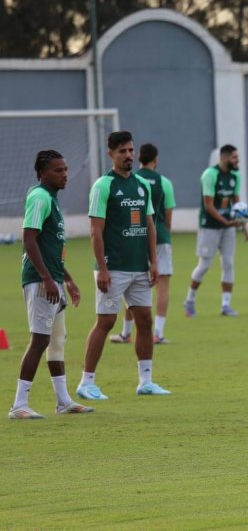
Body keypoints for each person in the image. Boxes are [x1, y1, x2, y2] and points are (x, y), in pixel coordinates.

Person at [76, 131, 171, 400]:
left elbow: (150, 225)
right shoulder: (103, 186)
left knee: (144, 319)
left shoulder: (142, 185)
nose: (128, 155)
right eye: (122, 151)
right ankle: (86, 382)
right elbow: (96, 231)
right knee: (106, 321)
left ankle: (146, 381)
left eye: (131, 150)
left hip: (139, 267)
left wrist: (154, 262)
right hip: (113, 267)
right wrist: (103, 269)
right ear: (111, 154)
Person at [8, 151, 93, 419]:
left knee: (57, 340)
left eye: (66, 169)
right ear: (43, 173)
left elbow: (50, 247)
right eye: (58, 170)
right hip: (40, 281)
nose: (65, 174)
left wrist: (66, 279)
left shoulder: (52, 200)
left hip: (53, 279)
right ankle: (19, 405)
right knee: (40, 340)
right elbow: (29, 239)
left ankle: (63, 401)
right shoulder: (39, 197)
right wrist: (47, 278)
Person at [110, 143, 176, 345]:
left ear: (139, 158)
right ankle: (158, 332)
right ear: (156, 159)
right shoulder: (164, 182)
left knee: (131, 284)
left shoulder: (132, 180)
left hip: (136, 238)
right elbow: (168, 217)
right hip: (160, 237)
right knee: (162, 286)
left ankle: (126, 333)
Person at [183, 144, 247, 318]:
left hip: (228, 228)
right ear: (224, 158)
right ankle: (189, 300)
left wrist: (243, 225)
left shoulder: (235, 175)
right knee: (204, 265)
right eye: (234, 157)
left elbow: (236, 203)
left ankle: (226, 305)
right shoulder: (210, 175)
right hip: (209, 226)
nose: (237, 160)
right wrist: (226, 221)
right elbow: (208, 206)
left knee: (228, 263)